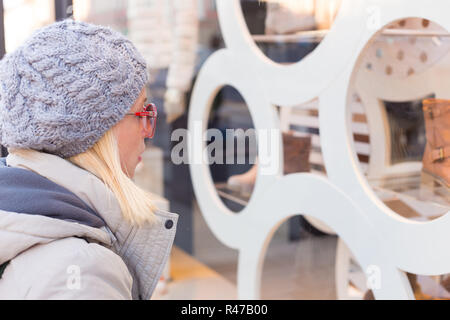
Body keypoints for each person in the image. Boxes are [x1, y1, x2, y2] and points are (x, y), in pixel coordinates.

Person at [0, 19, 178, 299]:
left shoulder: (17, 214)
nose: (147, 130)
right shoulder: (82, 271)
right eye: (141, 112)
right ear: (97, 132)